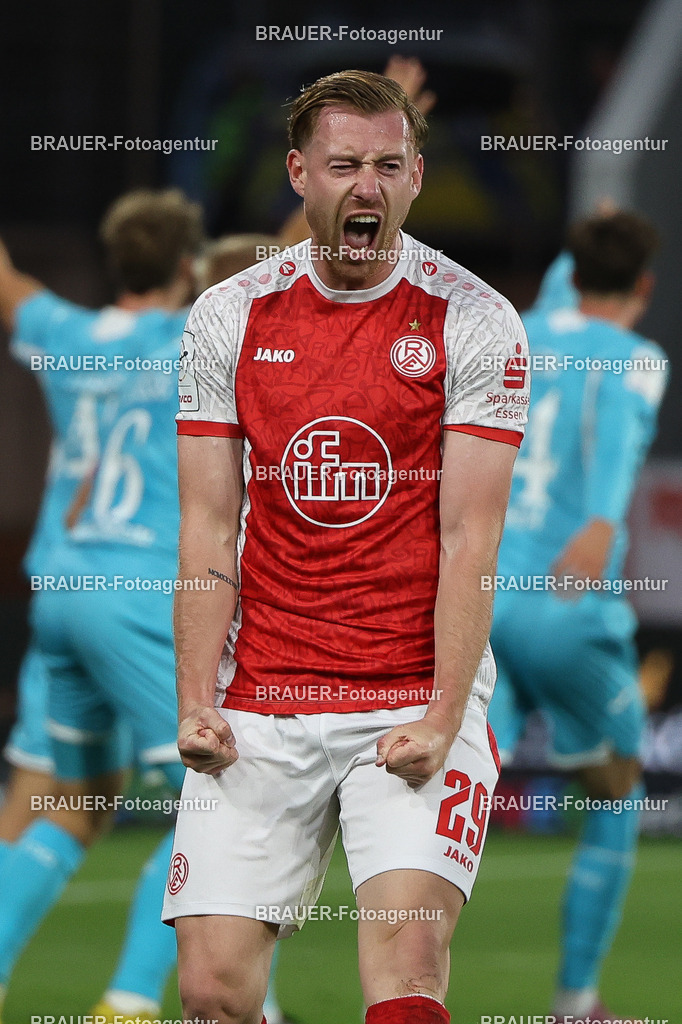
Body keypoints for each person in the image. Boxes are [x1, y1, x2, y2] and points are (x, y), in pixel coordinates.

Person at [163, 69, 530, 1024]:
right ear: (299, 174)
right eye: (343, 165)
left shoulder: (476, 320)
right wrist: (196, 701)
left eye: (387, 165)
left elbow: (471, 536)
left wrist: (445, 718)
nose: (366, 185)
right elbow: (206, 525)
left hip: (409, 690)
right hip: (265, 687)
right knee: (210, 990)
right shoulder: (229, 316)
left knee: (407, 963)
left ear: (415, 177)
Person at [0, 190, 200, 1022]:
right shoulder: (190, 337)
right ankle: (128, 1003)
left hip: (58, 584)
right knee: (226, 799)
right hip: (140, 588)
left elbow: (6, 281)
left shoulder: (64, 334)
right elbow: (293, 249)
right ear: (188, 269)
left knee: (61, 805)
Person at [487, 211, 668, 1022]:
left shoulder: (522, 333)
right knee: (616, 793)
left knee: (443, 806)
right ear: (645, 287)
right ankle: (575, 1003)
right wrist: (598, 521)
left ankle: (404, 994)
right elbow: (615, 429)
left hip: (482, 601)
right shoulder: (639, 358)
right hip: (567, 604)